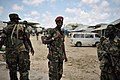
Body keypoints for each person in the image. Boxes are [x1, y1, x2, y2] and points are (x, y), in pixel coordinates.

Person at [0, 13, 34, 80]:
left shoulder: (6, 29)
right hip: (22, 52)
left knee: (13, 72)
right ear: (16, 20)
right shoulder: (22, 27)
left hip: (11, 53)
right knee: (24, 71)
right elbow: (27, 38)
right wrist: (31, 48)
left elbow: (2, 41)